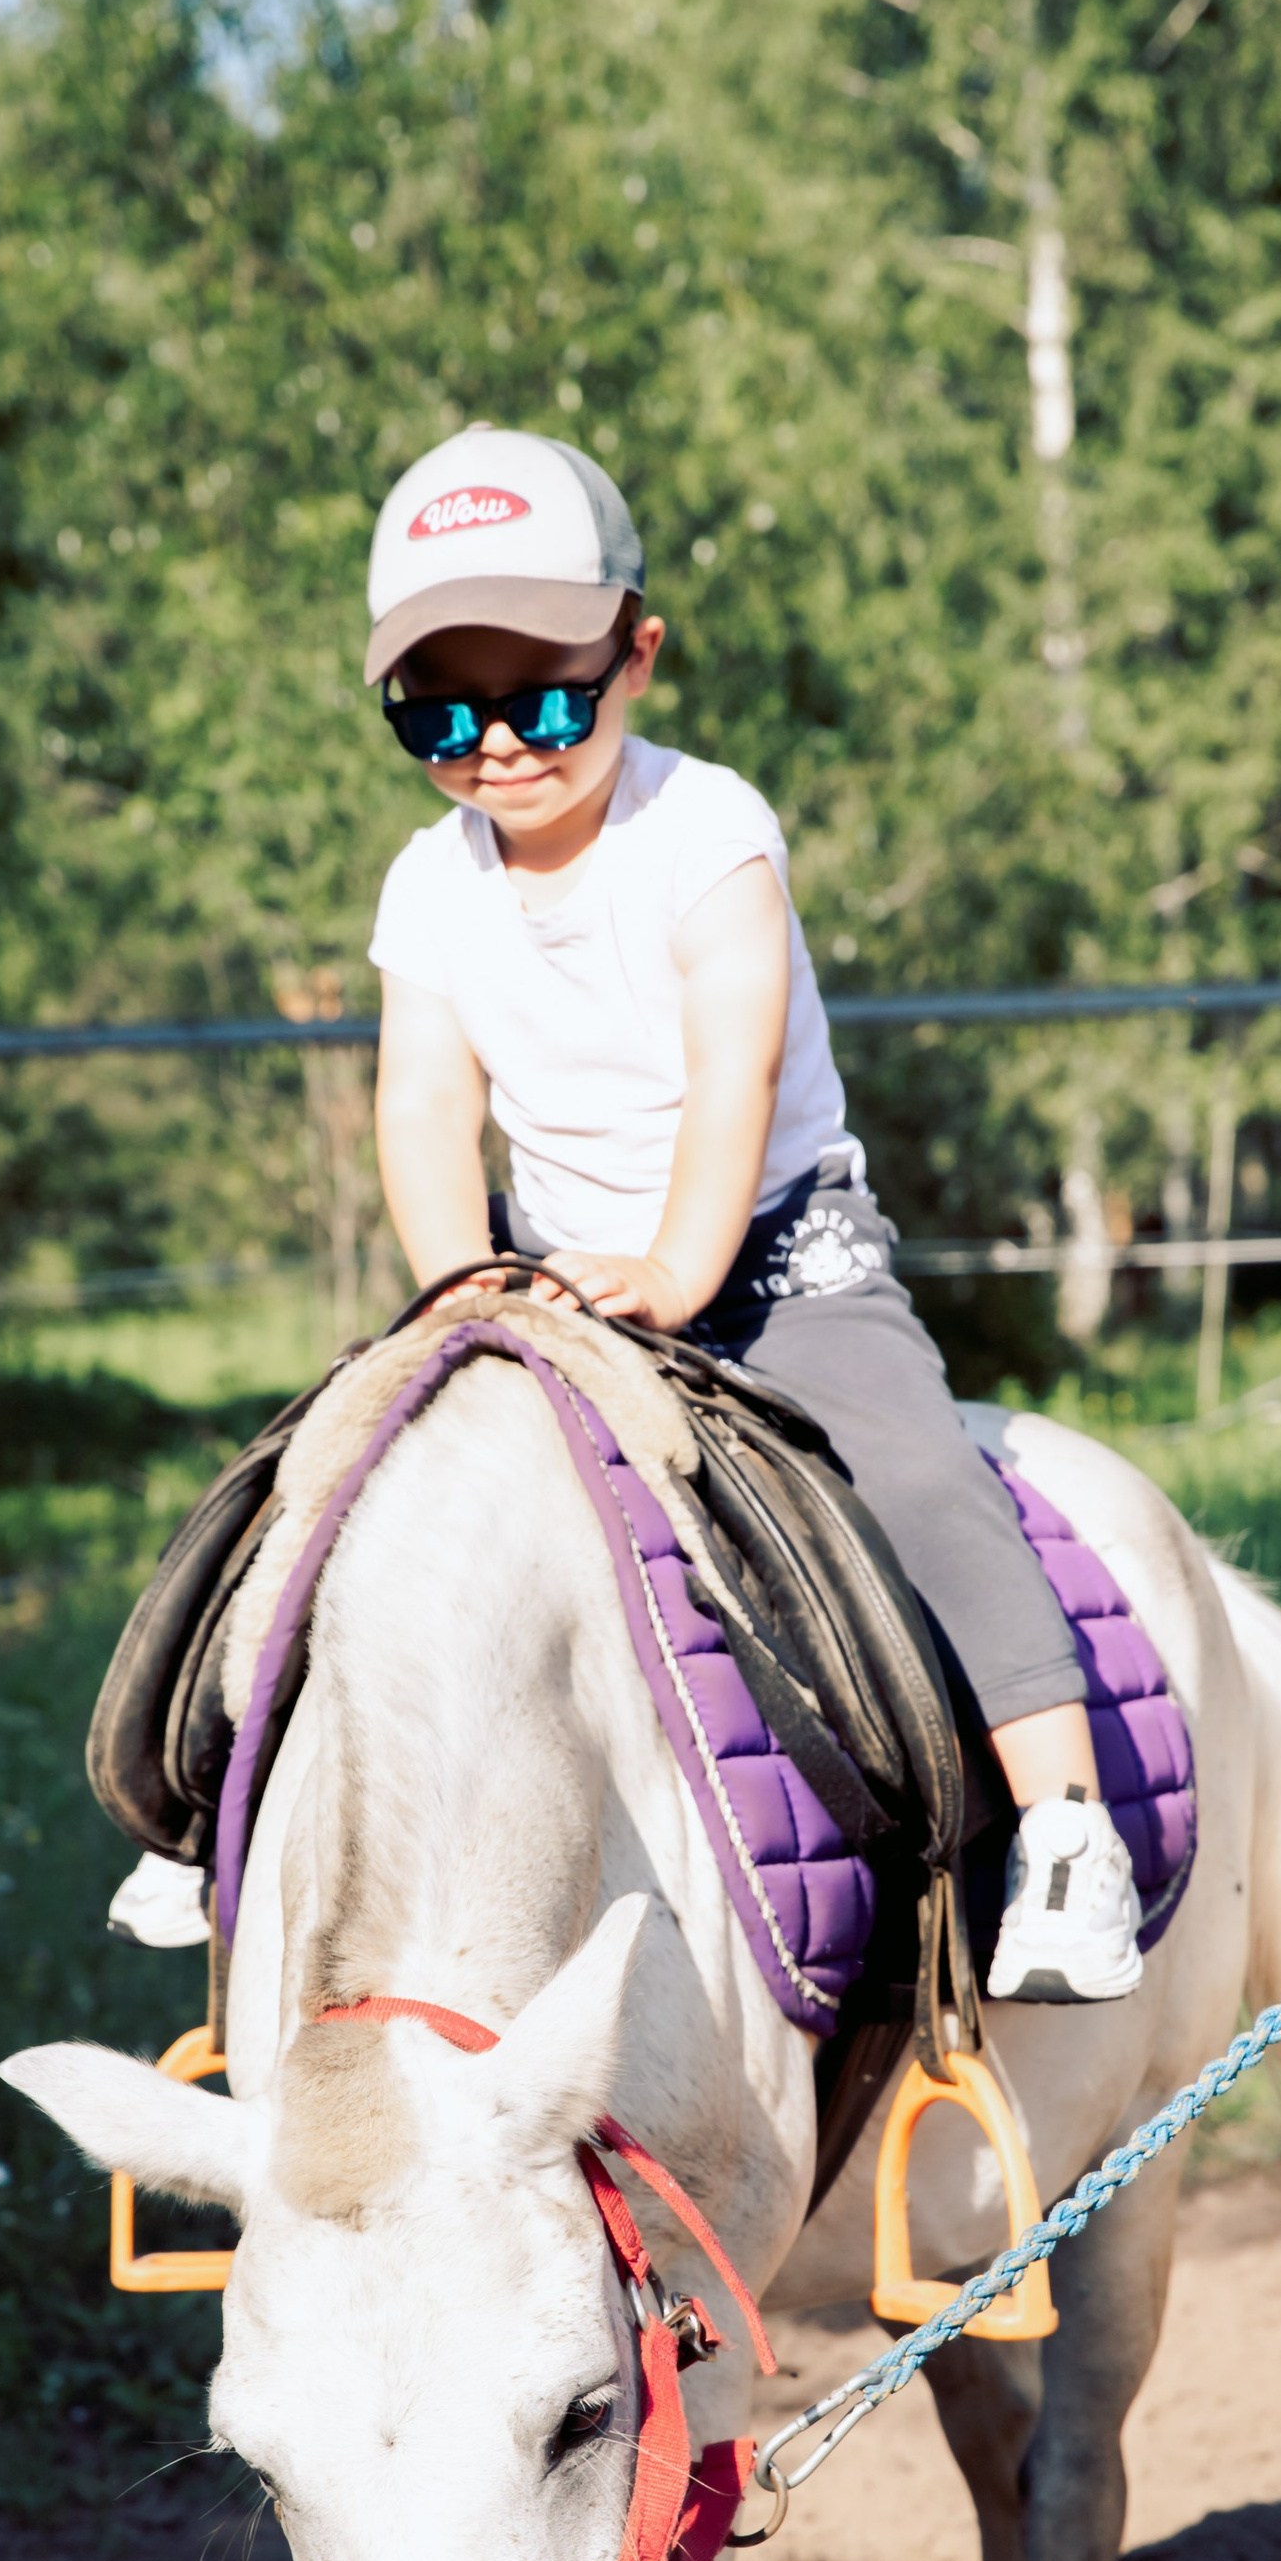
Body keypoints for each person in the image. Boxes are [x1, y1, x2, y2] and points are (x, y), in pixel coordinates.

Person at [360, 422, 1141, 2005]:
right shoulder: (429, 885)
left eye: (544, 694)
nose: (498, 741)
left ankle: (1065, 1826)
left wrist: (685, 1264)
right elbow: (426, 1105)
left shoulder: (706, 833)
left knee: (919, 1468)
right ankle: (233, 1798)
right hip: (564, 1274)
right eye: (440, 709)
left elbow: (737, 1069)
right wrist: (462, 1285)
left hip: (777, 1253)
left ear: (636, 656)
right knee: (353, 1469)